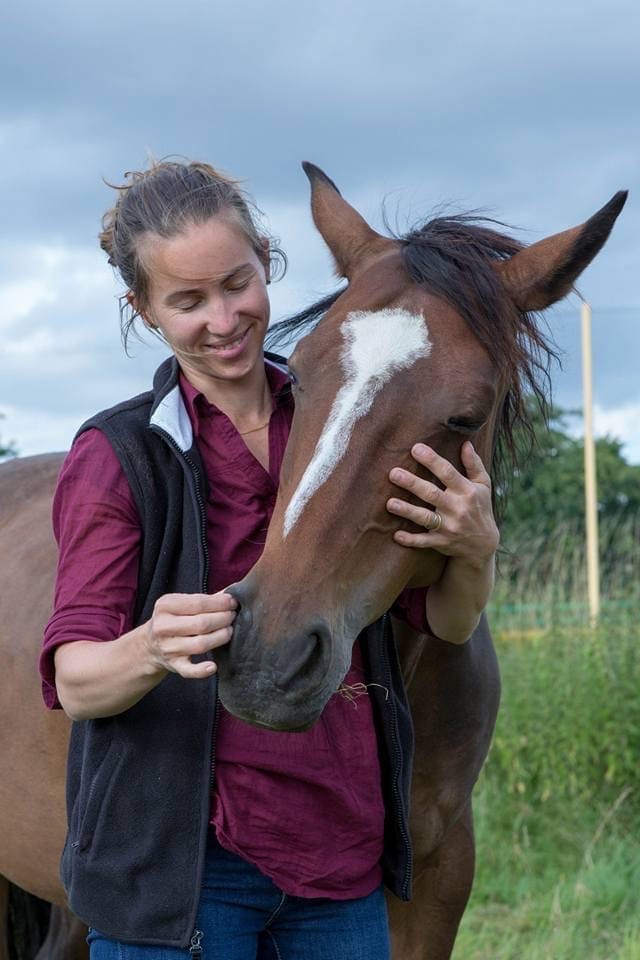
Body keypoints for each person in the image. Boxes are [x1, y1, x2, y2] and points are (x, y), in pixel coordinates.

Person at [39, 159, 499, 960]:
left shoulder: (348, 422)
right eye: (187, 301)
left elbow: (442, 623)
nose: (223, 319)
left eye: (237, 283)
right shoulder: (119, 457)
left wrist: (477, 549)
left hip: (338, 865)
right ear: (143, 310)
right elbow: (76, 680)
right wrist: (152, 645)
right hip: (185, 877)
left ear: (269, 263)